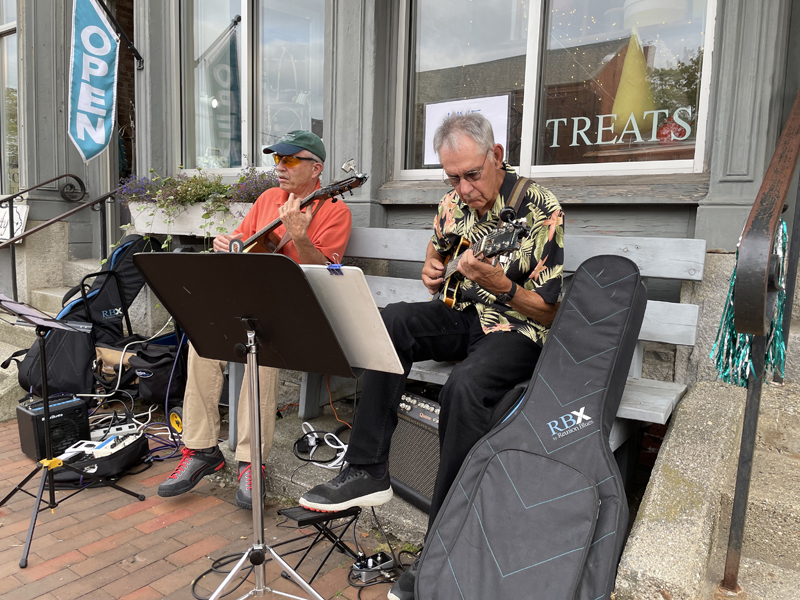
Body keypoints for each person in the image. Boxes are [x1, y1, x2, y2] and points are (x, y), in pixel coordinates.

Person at [298, 114, 564, 599]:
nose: (463, 188)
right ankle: (366, 469)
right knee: (393, 320)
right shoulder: (452, 203)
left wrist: (499, 284)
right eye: (453, 178)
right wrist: (432, 265)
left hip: (516, 328)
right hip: (462, 316)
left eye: (471, 176)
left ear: (497, 156)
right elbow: (438, 246)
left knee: (465, 387)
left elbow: (547, 312)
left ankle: (444, 540)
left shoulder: (539, 207)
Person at [158, 130, 352, 510]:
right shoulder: (267, 199)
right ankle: (200, 449)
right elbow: (245, 243)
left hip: (300, 311)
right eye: (277, 159)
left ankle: (251, 461)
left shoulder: (334, 211)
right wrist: (227, 243)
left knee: (260, 350)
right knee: (203, 339)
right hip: (253, 302)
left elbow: (326, 276)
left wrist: (301, 238)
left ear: (317, 168)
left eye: (290, 160)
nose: (280, 167)